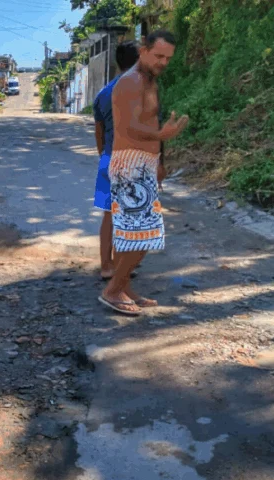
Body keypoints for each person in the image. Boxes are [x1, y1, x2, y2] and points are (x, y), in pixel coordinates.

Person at [98, 29, 189, 316]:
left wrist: (158, 160)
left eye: (168, 58)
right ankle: (112, 291)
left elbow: (148, 122)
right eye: (159, 55)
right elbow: (127, 127)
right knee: (140, 237)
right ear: (143, 51)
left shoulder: (148, 80)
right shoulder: (130, 83)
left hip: (143, 165)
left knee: (138, 236)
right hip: (129, 165)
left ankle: (122, 286)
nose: (163, 62)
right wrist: (163, 134)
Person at [92, 41, 140, 280]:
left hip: (110, 157)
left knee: (109, 215)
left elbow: (99, 131)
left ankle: (105, 265)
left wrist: (104, 154)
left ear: (116, 63)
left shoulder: (103, 94)